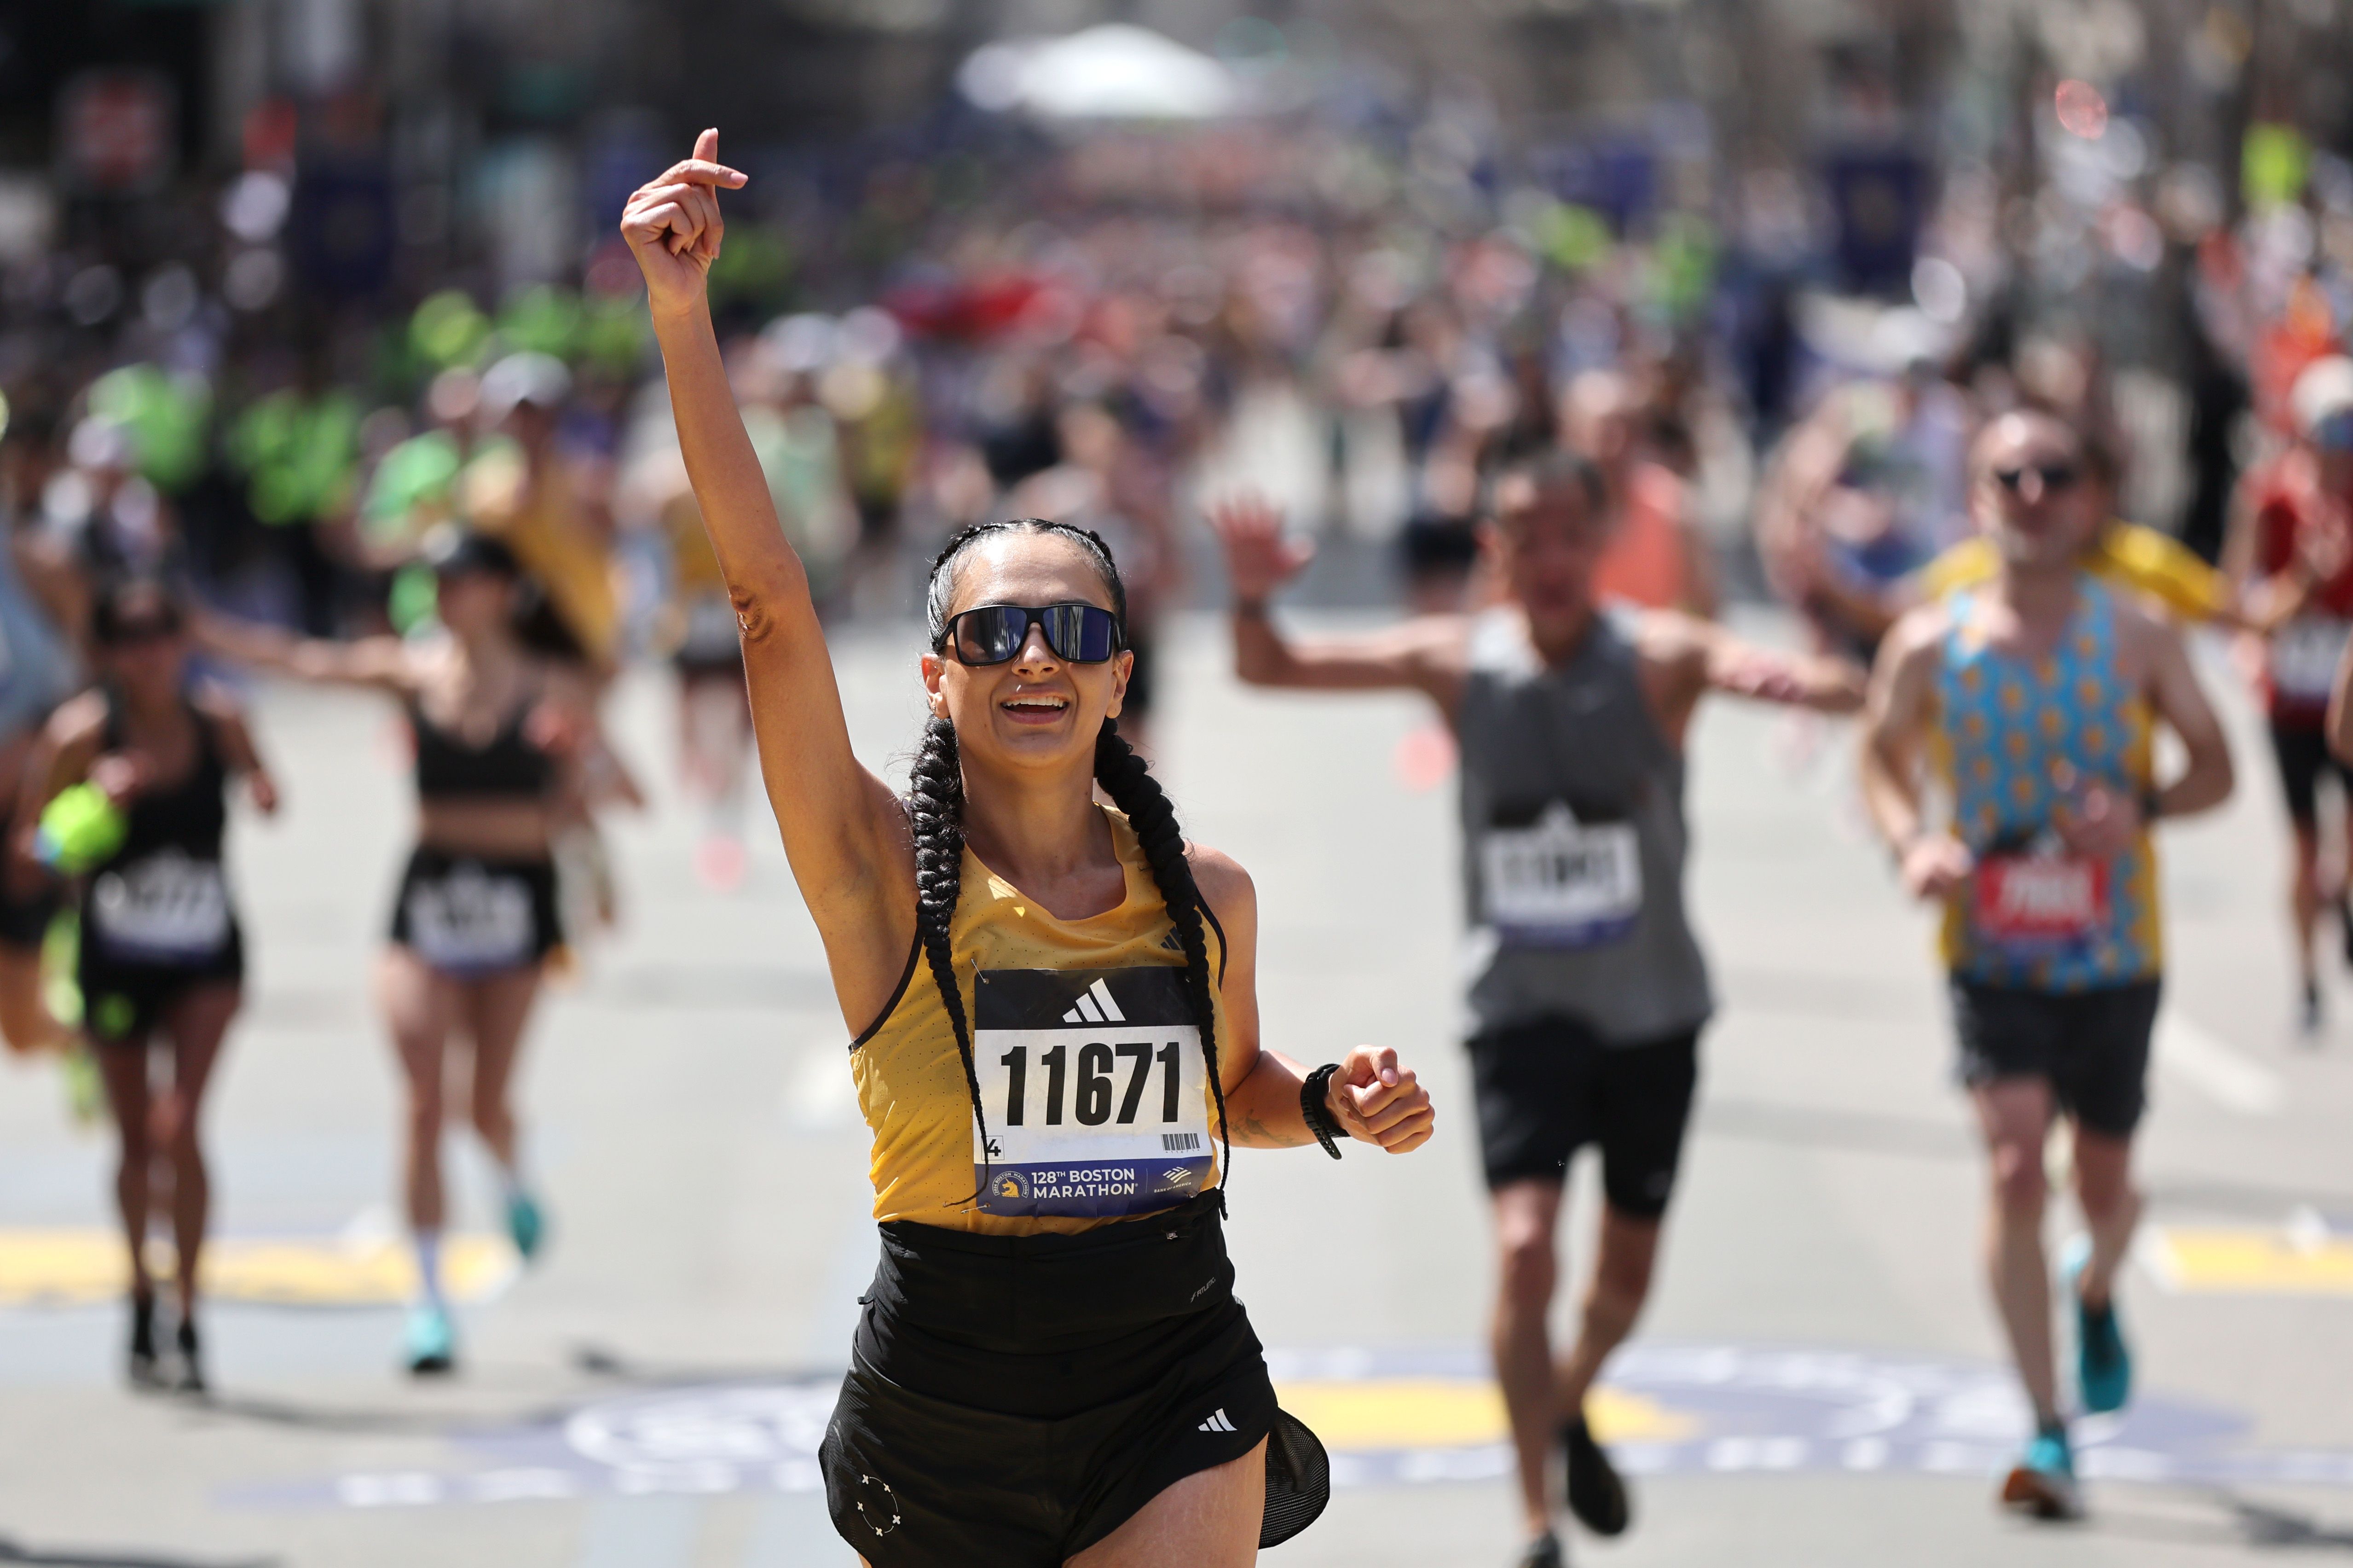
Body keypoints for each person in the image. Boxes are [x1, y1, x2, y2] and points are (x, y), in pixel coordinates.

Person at [623, 131, 1436, 1568]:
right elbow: (764, 601)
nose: (1035, 657)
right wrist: (684, 321)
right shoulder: (879, 879)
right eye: (992, 633)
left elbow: (1226, 1091)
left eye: (1074, 631)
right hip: (945, 1408)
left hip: (1170, 1369)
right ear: (937, 678)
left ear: (1123, 677)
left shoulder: (1208, 896)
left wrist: (1323, 1101)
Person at [1208, 458, 1864, 1568]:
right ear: (1496, 554)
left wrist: (1824, 660)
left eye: (1571, 536)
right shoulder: (1459, 663)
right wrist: (1253, 590)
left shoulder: (1659, 656)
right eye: (1526, 538)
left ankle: (1566, 1397)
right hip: (1519, 1012)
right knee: (1523, 1253)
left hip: (1654, 1011)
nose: (1551, 559)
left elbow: (1794, 680)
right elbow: (1269, 667)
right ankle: (1533, 1520)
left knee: (1621, 1279)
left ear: (1598, 544)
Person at [1860, 410, 2235, 1519]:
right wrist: (1912, 840)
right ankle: (2044, 1425)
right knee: (2018, 1170)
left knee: (2105, 1190)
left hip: (2117, 953)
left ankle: (2096, 1280)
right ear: (1975, 497)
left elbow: (2215, 767)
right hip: (1991, 956)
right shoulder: (1932, 642)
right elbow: (1879, 759)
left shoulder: (2137, 634)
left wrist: (2145, 807)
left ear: (2088, 497)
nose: (2030, 493)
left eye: (2052, 475)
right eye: (2005, 476)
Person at [197, 533, 604, 1376]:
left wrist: (576, 762)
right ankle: (430, 1306)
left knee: (481, 1105)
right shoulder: (414, 672)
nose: (446, 593)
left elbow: (610, 789)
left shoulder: (551, 681)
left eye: (462, 578)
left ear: (501, 588)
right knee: (423, 1098)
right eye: (437, 579)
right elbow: (304, 660)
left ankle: (511, 1176)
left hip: (516, 902)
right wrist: (201, 631)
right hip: (427, 898)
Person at [14, 579, 277, 1391]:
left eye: (162, 633)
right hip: (117, 952)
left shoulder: (220, 719)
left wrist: (262, 790)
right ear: (107, 653)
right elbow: (31, 855)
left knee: (181, 1125)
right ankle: (139, 1294)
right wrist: (94, 805)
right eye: (130, 638)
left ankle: (192, 1311)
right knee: (134, 1140)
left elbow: (268, 792)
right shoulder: (82, 735)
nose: (150, 653)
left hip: (205, 950)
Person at [2221, 355, 2353, 1030]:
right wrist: (2299, 583)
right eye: (2328, 434)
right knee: (2302, 844)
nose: (2339, 453)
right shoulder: (2269, 497)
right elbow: (2234, 599)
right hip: (2293, 697)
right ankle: (2306, 978)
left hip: (2350, 701)